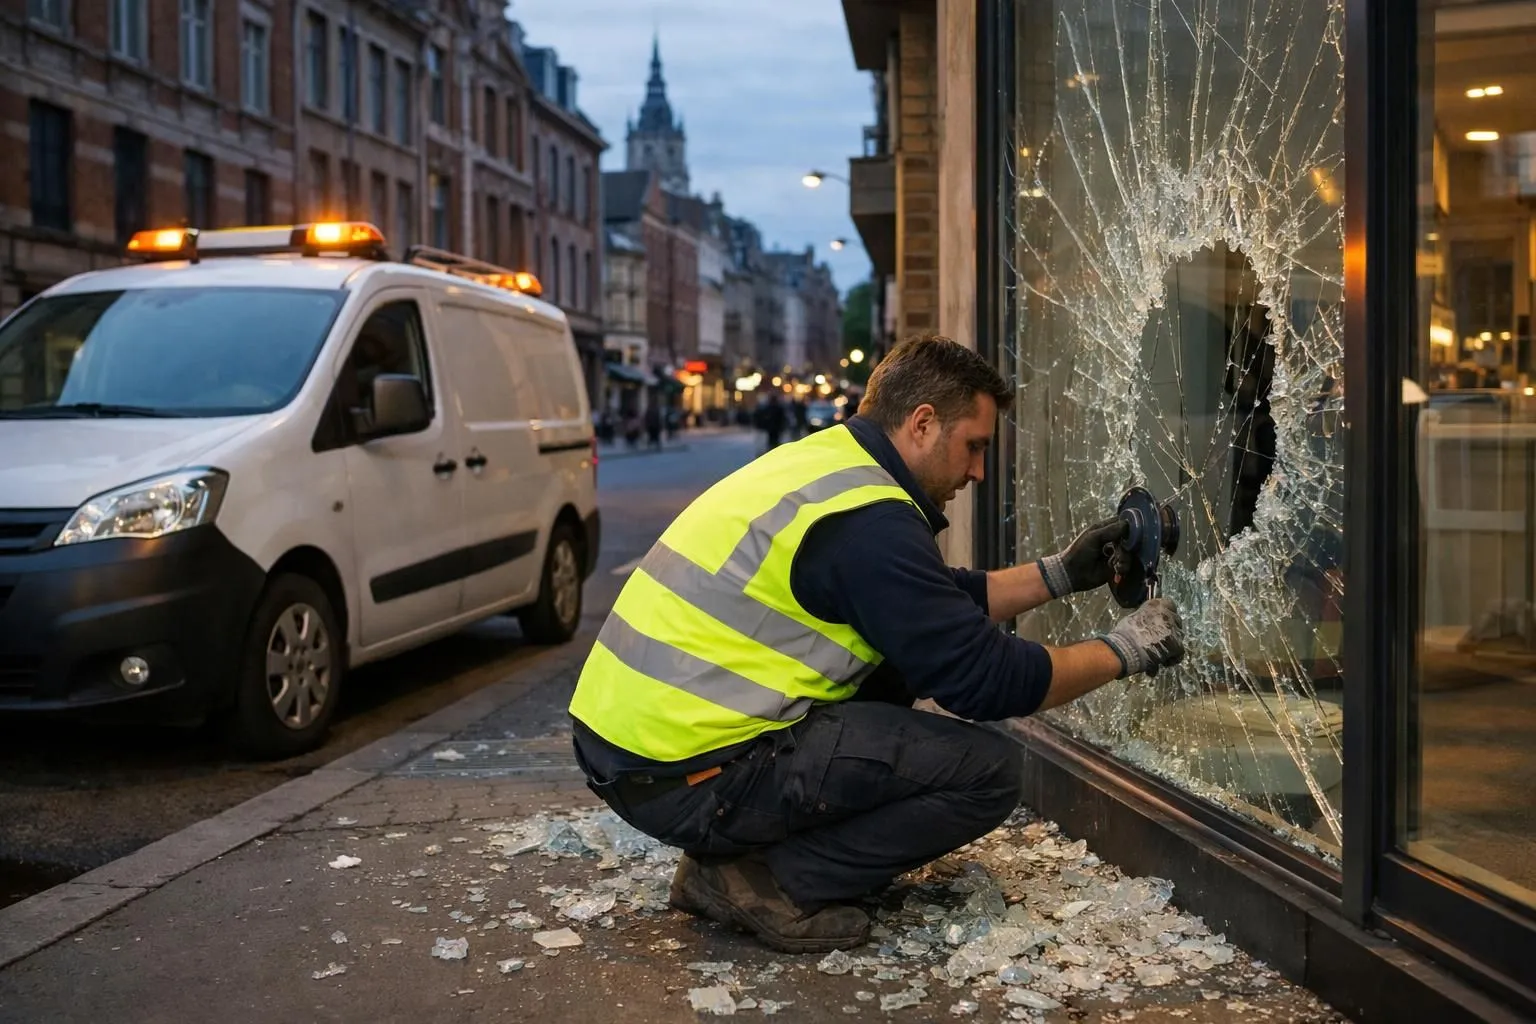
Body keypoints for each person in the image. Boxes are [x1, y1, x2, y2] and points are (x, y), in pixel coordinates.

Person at [567, 334, 1185, 954]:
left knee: (893, 671)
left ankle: (745, 853)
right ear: (922, 424)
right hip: (687, 776)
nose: (976, 471)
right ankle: (766, 882)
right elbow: (987, 680)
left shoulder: (829, 467)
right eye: (973, 446)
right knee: (987, 773)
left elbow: (930, 602)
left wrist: (1060, 575)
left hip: (636, 753)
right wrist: (1127, 649)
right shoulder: (870, 522)